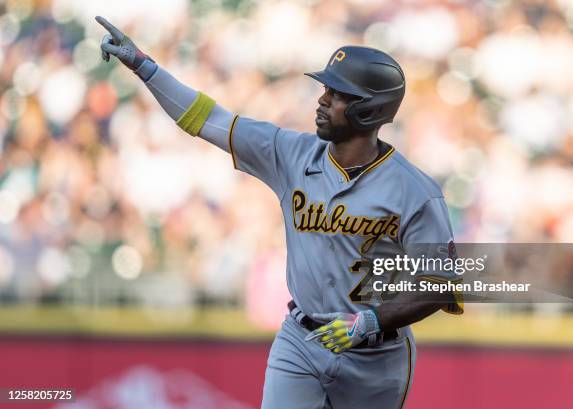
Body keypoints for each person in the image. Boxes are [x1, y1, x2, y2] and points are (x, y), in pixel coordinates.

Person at [96, 15, 462, 409]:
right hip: (300, 340)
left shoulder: (415, 191)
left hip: (377, 356)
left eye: (337, 94)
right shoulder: (291, 153)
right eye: (326, 89)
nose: (322, 100)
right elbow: (209, 120)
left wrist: (369, 322)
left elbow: (440, 283)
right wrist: (144, 66)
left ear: (368, 109)